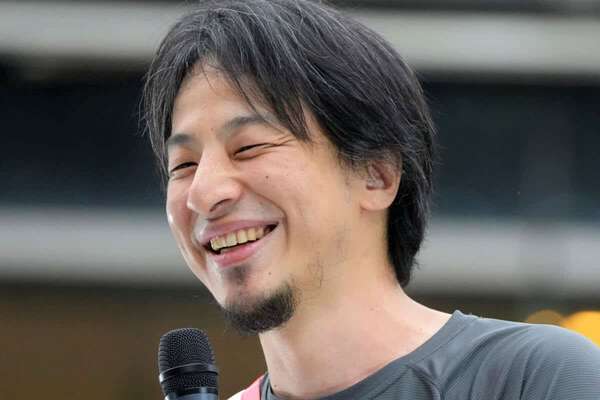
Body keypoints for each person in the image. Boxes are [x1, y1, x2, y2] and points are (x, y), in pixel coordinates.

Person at [141, 1, 600, 399]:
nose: (203, 193)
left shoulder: (534, 377)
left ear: (377, 174)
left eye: (249, 147)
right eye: (184, 165)